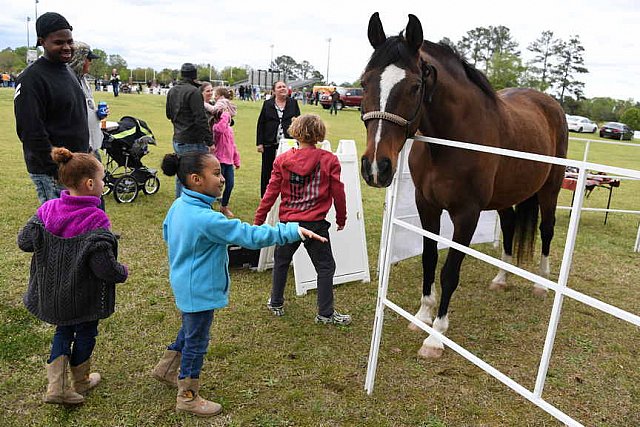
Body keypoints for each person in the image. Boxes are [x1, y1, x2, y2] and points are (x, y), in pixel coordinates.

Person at [152, 151, 326, 417]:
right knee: (197, 340)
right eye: (216, 173)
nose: (222, 179)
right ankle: (187, 395)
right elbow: (250, 236)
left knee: (190, 328)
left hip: (184, 282)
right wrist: (292, 230)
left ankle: (166, 369)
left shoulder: (180, 206)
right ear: (196, 179)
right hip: (199, 288)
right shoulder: (207, 219)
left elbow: (167, 231)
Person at [17, 147, 128, 406]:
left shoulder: (48, 209)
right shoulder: (95, 218)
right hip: (83, 296)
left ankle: (57, 386)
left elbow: (24, 241)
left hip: (52, 292)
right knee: (86, 331)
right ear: (90, 184)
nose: (103, 184)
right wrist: (121, 272)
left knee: (63, 332)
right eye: (102, 179)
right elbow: (102, 267)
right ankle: (81, 380)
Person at [254, 114, 351, 326]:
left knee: (281, 262)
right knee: (325, 267)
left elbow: (270, 193)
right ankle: (325, 314)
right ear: (319, 134)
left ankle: (276, 302)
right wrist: (342, 217)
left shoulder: (282, 160)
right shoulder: (329, 160)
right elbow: (338, 192)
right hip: (316, 225)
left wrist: (259, 219)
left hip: (288, 224)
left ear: (295, 131)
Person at [14, 12, 89, 204]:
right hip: (54, 172)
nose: (66, 47)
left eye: (69, 41)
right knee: (59, 228)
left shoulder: (68, 71)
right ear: (42, 42)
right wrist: (56, 169)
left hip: (75, 166)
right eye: (59, 42)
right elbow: (30, 132)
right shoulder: (32, 78)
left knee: (76, 225)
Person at [68, 41, 108, 211]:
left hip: (93, 144)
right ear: (79, 59)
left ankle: (101, 226)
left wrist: (99, 114)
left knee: (98, 189)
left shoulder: (84, 80)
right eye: (88, 59)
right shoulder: (69, 81)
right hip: (81, 148)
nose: (90, 62)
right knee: (85, 192)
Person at [166, 63, 213, 198]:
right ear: (195, 75)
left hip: (178, 138)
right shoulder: (194, 92)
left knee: (182, 175)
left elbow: (169, 114)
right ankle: (190, 207)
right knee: (196, 177)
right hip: (193, 140)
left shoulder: (172, 91)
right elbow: (201, 119)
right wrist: (210, 141)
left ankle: (180, 205)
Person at [256, 80, 300, 197]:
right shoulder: (267, 104)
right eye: (279, 87)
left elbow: (299, 122)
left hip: (288, 143)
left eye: (284, 87)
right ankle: (265, 196)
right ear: (274, 91)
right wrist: (259, 143)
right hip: (270, 142)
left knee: (289, 170)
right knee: (267, 170)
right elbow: (261, 123)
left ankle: (288, 195)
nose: (282, 89)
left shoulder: (293, 103)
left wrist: (299, 140)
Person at [211, 107, 240, 218]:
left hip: (229, 162)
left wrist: (236, 160)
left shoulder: (230, 130)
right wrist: (225, 115)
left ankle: (224, 206)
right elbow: (221, 129)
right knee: (215, 184)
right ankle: (209, 206)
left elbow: (233, 145)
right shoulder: (216, 128)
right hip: (219, 161)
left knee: (230, 184)